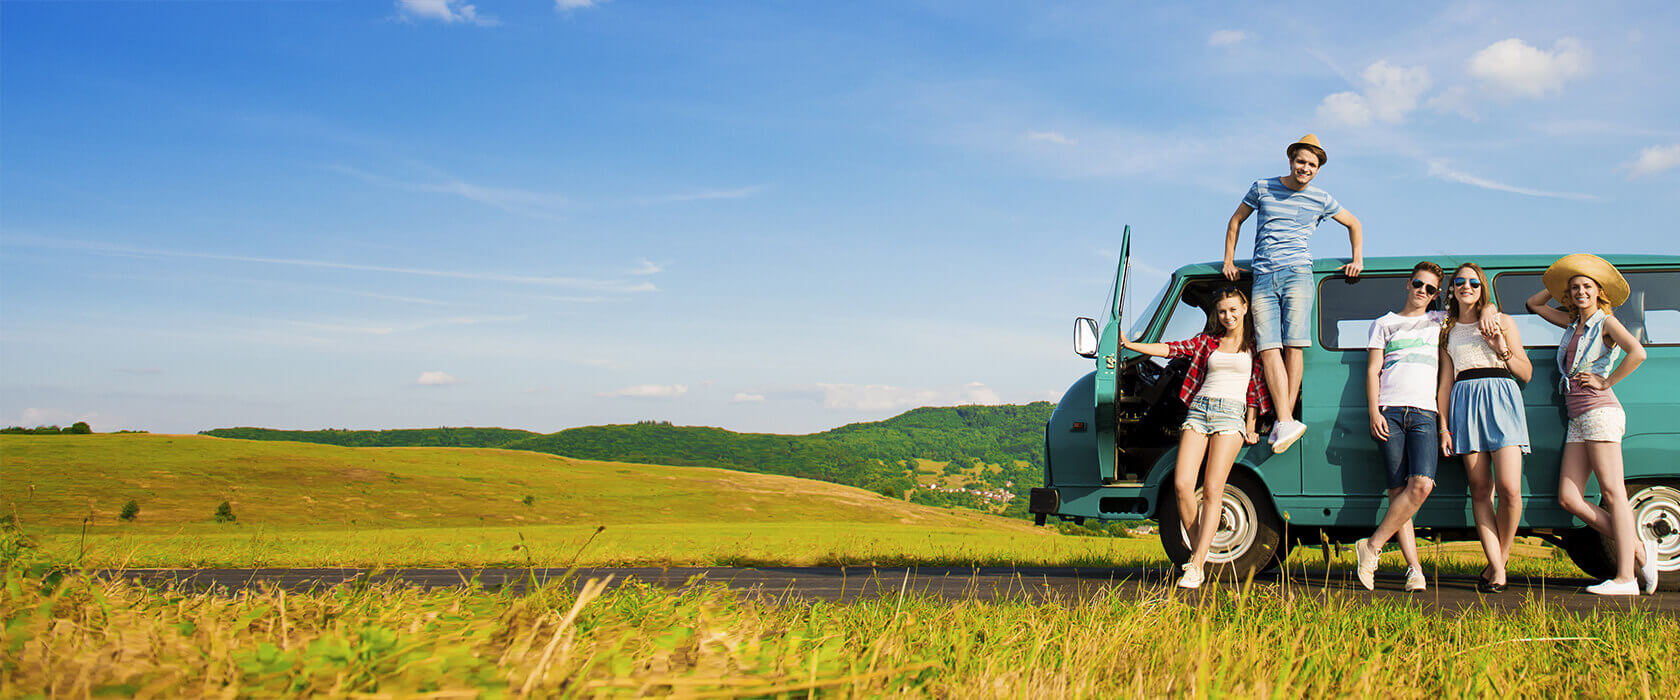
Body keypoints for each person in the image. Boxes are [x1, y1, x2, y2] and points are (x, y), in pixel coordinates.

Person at [1120, 287, 1271, 589]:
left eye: (1233, 310)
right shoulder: (1208, 342)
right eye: (1222, 311)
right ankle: (1199, 548)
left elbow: (1254, 392)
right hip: (1199, 411)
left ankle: (1198, 563)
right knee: (1182, 485)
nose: (1227, 316)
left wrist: (1252, 425)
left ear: (1244, 309)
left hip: (1231, 416)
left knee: (1214, 489)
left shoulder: (1255, 347)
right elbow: (1172, 349)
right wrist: (1131, 344)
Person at [1524, 255, 1656, 596]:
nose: (1581, 291)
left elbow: (1637, 353)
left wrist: (1606, 381)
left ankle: (1626, 578)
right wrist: (1559, 279)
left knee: (1613, 493)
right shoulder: (1570, 325)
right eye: (1575, 287)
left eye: (1587, 286)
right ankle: (1639, 549)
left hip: (1600, 412)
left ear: (1599, 292)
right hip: (1577, 417)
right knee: (1569, 498)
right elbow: (1533, 304)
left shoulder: (1605, 323)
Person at [1223, 134, 1361, 453]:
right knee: (1269, 347)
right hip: (1262, 275)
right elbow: (1235, 221)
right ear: (1291, 160)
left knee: (1293, 344)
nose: (1306, 168)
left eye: (1312, 165)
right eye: (1301, 162)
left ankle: (1284, 419)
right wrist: (1229, 260)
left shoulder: (1321, 198)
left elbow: (1354, 223)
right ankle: (1285, 419)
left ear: (1318, 169)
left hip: (1298, 272)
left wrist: (1357, 259)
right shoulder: (1262, 187)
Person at [1353, 262, 1449, 593]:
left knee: (1420, 486)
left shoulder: (1439, 321)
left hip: (1425, 413)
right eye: (1419, 285)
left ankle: (1372, 546)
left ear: (1436, 294)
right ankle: (1414, 570)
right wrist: (1373, 412)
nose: (1424, 292)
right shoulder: (1384, 323)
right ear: (1408, 284)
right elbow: (1372, 371)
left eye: (1431, 289)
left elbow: (1476, 307)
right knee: (1399, 493)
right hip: (1389, 411)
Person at [1437, 262, 1531, 593]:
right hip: (1465, 403)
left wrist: (1499, 348)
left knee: (1510, 490)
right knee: (1480, 490)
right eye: (1460, 282)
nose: (1467, 286)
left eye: (1474, 283)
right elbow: (1445, 385)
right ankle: (1499, 571)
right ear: (1452, 288)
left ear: (1482, 287)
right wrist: (1444, 427)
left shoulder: (1501, 321)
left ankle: (1498, 561)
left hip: (1502, 399)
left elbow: (1526, 372)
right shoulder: (1447, 330)